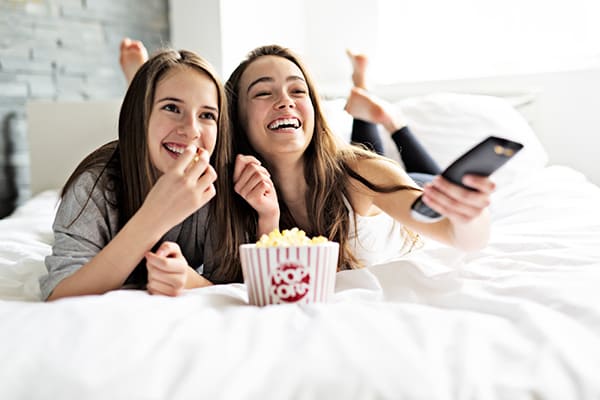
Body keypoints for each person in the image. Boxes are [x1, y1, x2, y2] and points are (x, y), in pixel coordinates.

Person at [225, 45, 494, 270]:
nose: (286, 101)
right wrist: (267, 218)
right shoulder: (234, 198)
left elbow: (456, 234)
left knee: (430, 178)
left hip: (411, 187)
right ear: (237, 118)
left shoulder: (362, 173)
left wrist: (469, 215)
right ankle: (363, 94)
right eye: (262, 93)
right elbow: (272, 281)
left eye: (298, 90)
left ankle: (394, 123)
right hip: (363, 178)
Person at [40, 47, 240, 301]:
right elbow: (59, 293)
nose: (192, 130)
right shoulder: (94, 185)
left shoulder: (220, 188)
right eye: (172, 108)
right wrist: (155, 215)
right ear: (141, 117)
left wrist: (189, 279)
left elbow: (231, 285)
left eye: (207, 115)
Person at [344, 49, 441, 182]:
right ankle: (391, 120)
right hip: (425, 190)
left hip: (413, 190)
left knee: (367, 181)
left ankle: (394, 123)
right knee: (442, 187)